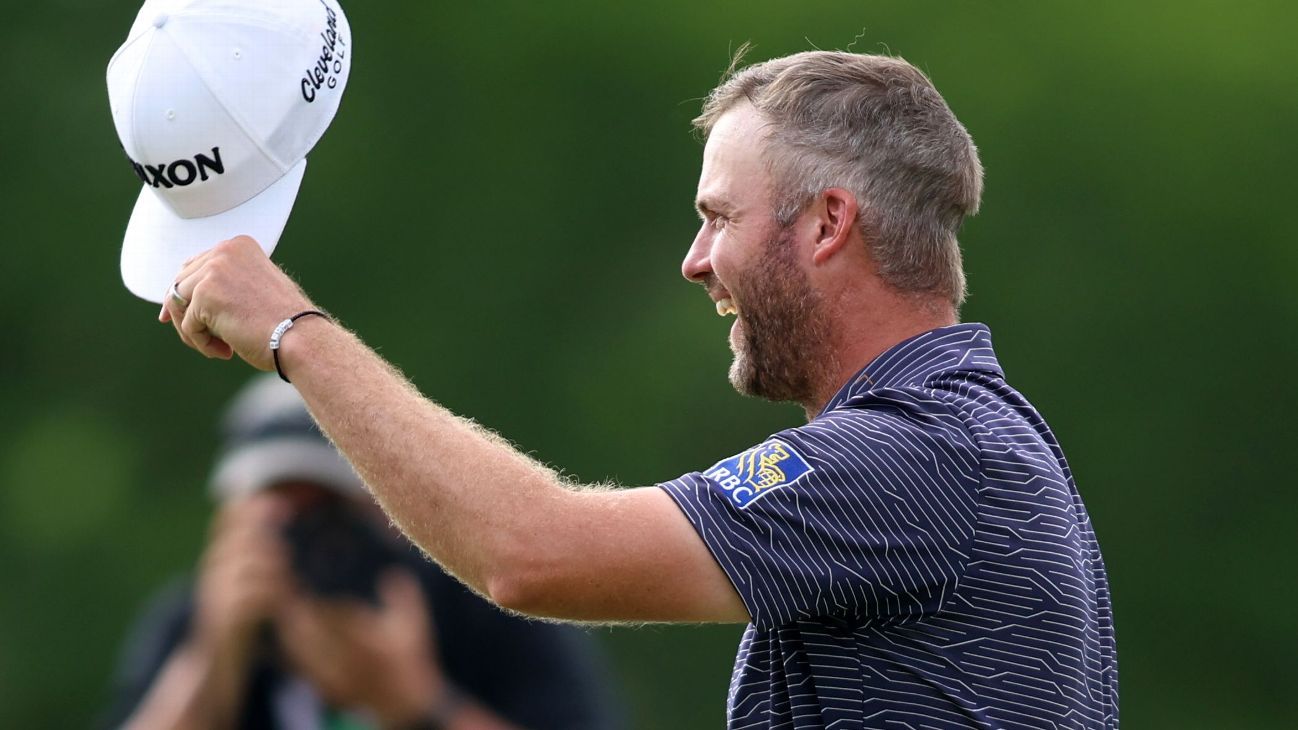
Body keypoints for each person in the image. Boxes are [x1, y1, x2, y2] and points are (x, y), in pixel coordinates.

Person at [156, 50, 1119, 729]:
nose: (696, 262)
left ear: (828, 223)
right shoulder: (963, 440)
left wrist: (294, 333)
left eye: (717, 217)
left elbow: (531, 556)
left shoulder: (920, 451)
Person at [100, 375, 624, 730]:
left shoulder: (488, 602)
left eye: (330, 511)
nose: (311, 539)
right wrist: (213, 662)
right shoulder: (200, 621)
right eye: (284, 514)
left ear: (391, 510)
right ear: (232, 519)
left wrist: (418, 704)